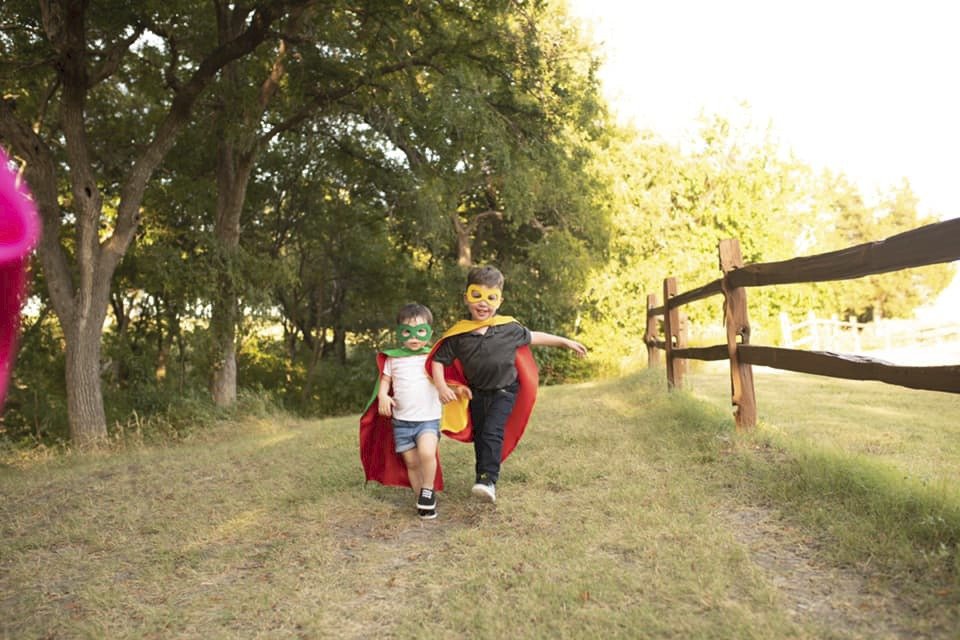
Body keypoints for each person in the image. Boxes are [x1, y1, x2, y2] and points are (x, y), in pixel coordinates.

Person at [428, 265, 586, 504]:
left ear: (499, 301)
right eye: (477, 295)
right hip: (477, 393)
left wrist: (565, 342)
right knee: (482, 435)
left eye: (491, 297)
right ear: (466, 298)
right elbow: (438, 360)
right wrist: (442, 386)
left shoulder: (508, 328)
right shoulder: (459, 335)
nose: (483, 303)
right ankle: (482, 475)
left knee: (492, 431)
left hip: (505, 390)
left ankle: (488, 479)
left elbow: (535, 337)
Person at [359, 303, 443, 519]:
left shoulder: (433, 357)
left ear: (429, 332)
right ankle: (424, 501)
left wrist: (455, 388)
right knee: (412, 463)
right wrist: (383, 396)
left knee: (426, 453)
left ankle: (427, 489)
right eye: (407, 331)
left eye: (421, 331)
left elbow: (447, 378)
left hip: (428, 419)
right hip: (402, 422)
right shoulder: (393, 358)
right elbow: (385, 381)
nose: (414, 337)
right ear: (399, 333)